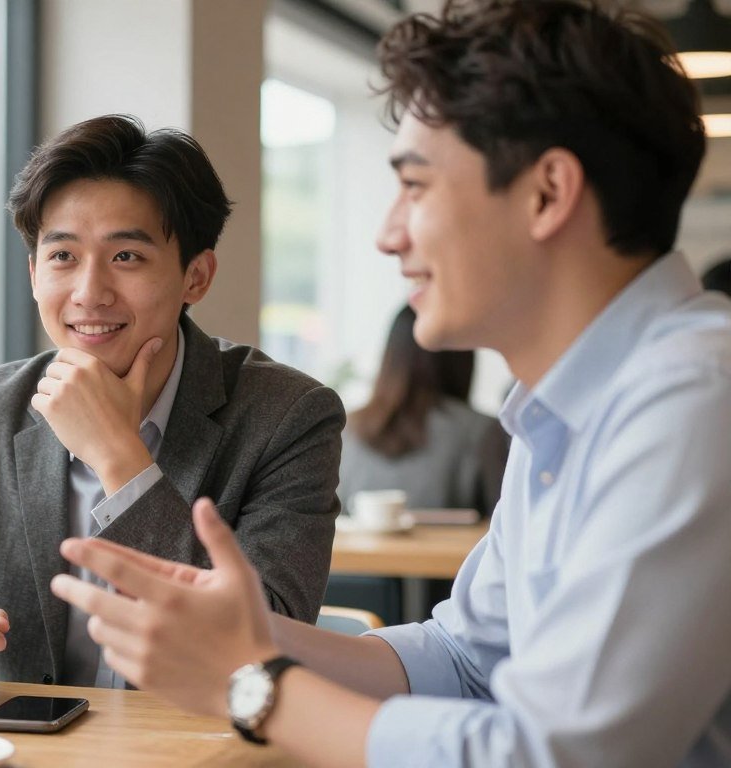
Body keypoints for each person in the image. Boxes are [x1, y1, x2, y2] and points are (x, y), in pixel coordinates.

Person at [51, 0, 731, 765]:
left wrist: (257, 686)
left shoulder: (694, 398)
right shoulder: (568, 414)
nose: (388, 234)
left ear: (547, 193)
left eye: (416, 186)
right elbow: (467, 659)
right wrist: (244, 634)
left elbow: (557, 756)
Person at [0, 114, 344, 688]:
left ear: (195, 277)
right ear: (32, 274)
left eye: (126, 257)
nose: (89, 293)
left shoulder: (289, 415)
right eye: (62, 256)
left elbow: (266, 639)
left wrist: (120, 459)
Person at [339, 304, 507, 517]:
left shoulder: (346, 428)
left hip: (351, 551)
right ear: (462, 358)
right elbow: (504, 526)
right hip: (455, 552)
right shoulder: (484, 430)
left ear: (391, 355)